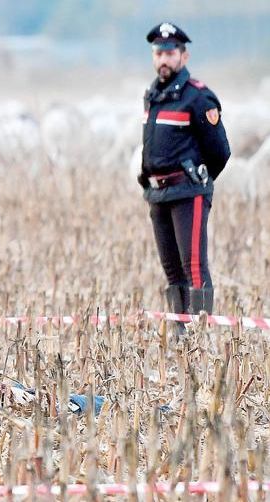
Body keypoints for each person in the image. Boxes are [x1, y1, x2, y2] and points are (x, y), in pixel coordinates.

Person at [137, 23, 231, 322]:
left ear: (183, 56)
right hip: (159, 192)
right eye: (158, 53)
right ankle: (181, 338)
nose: (163, 59)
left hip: (188, 192)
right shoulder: (152, 95)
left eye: (170, 53)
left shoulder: (198, 97)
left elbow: (220, 151)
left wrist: (197, 180)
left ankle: (200, 341)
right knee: (172, 270)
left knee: (193, 267)